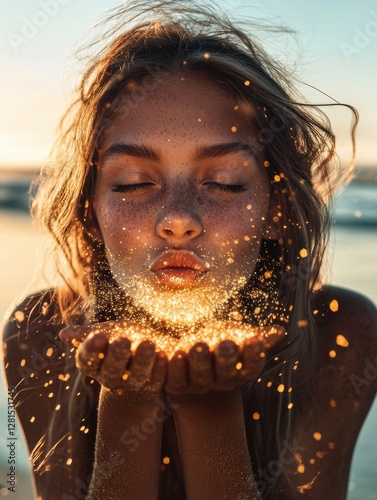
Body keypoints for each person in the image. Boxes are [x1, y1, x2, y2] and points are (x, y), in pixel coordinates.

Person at [2, 1, 377, 498]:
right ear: (91, 213)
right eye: (134, 183)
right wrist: (127, 399)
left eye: (223, 183)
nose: (178, 219)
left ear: (277, 211)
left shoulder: (336, 331)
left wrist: (208, 406)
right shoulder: (44, 330)